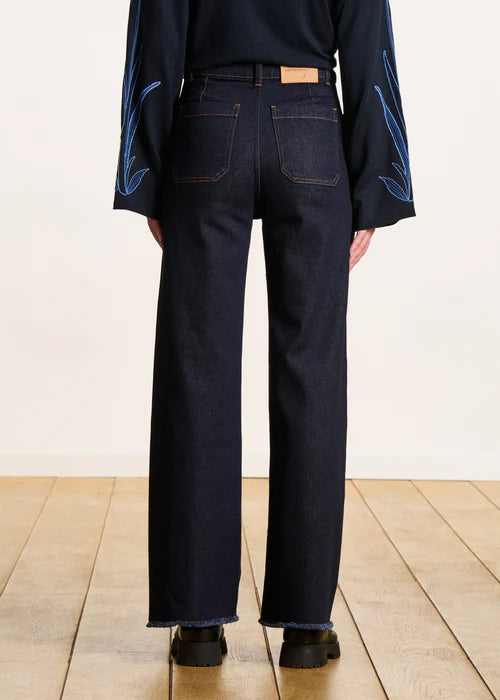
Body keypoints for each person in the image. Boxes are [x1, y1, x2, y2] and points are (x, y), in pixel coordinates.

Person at [113, 0, 416, 669]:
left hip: (205, 124)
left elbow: (154, 40)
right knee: (312, 374)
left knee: (197, 372)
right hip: (311, 126)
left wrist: (148, 179)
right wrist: (376, 187)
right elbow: (369, 49)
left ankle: (198, 624)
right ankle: (306, 628)